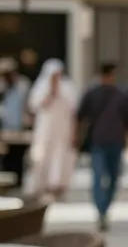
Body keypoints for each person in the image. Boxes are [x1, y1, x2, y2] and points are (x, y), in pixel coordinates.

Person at [77, 63, 128, 231]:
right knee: (107, 178)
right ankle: (103, 209)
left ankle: (102, 209)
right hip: (110, 141)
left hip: (104, 140)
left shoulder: (97, 94)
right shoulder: (119, 95)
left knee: (103, 177)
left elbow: (80, 117)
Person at [27, 59, 79, 200]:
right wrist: (51, 91)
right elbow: (35, 106)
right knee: (42, 157)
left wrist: (74, 132)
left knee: (61, 157)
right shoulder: (41, 87)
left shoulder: (68, 87)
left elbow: (73, 111)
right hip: (45, 130)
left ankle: (57, 186)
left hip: (63, 130)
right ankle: (40, 186)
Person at [0, 58, 32, 187]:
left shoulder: (23, 85)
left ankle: (18, 184)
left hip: (19, 129)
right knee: (5, 159)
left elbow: (29, 106)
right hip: (4, 129)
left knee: (18, 158)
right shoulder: (2, 86)